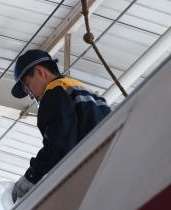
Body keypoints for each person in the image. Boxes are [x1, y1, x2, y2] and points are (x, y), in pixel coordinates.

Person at [10, 49, 111, 202]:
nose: (30, 95)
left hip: (89, 177)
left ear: (40, 72)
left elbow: (59, 144)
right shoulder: (89, 94)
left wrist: (32, 175)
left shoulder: (54, 93)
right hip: (110, 167)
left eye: (27, 86)